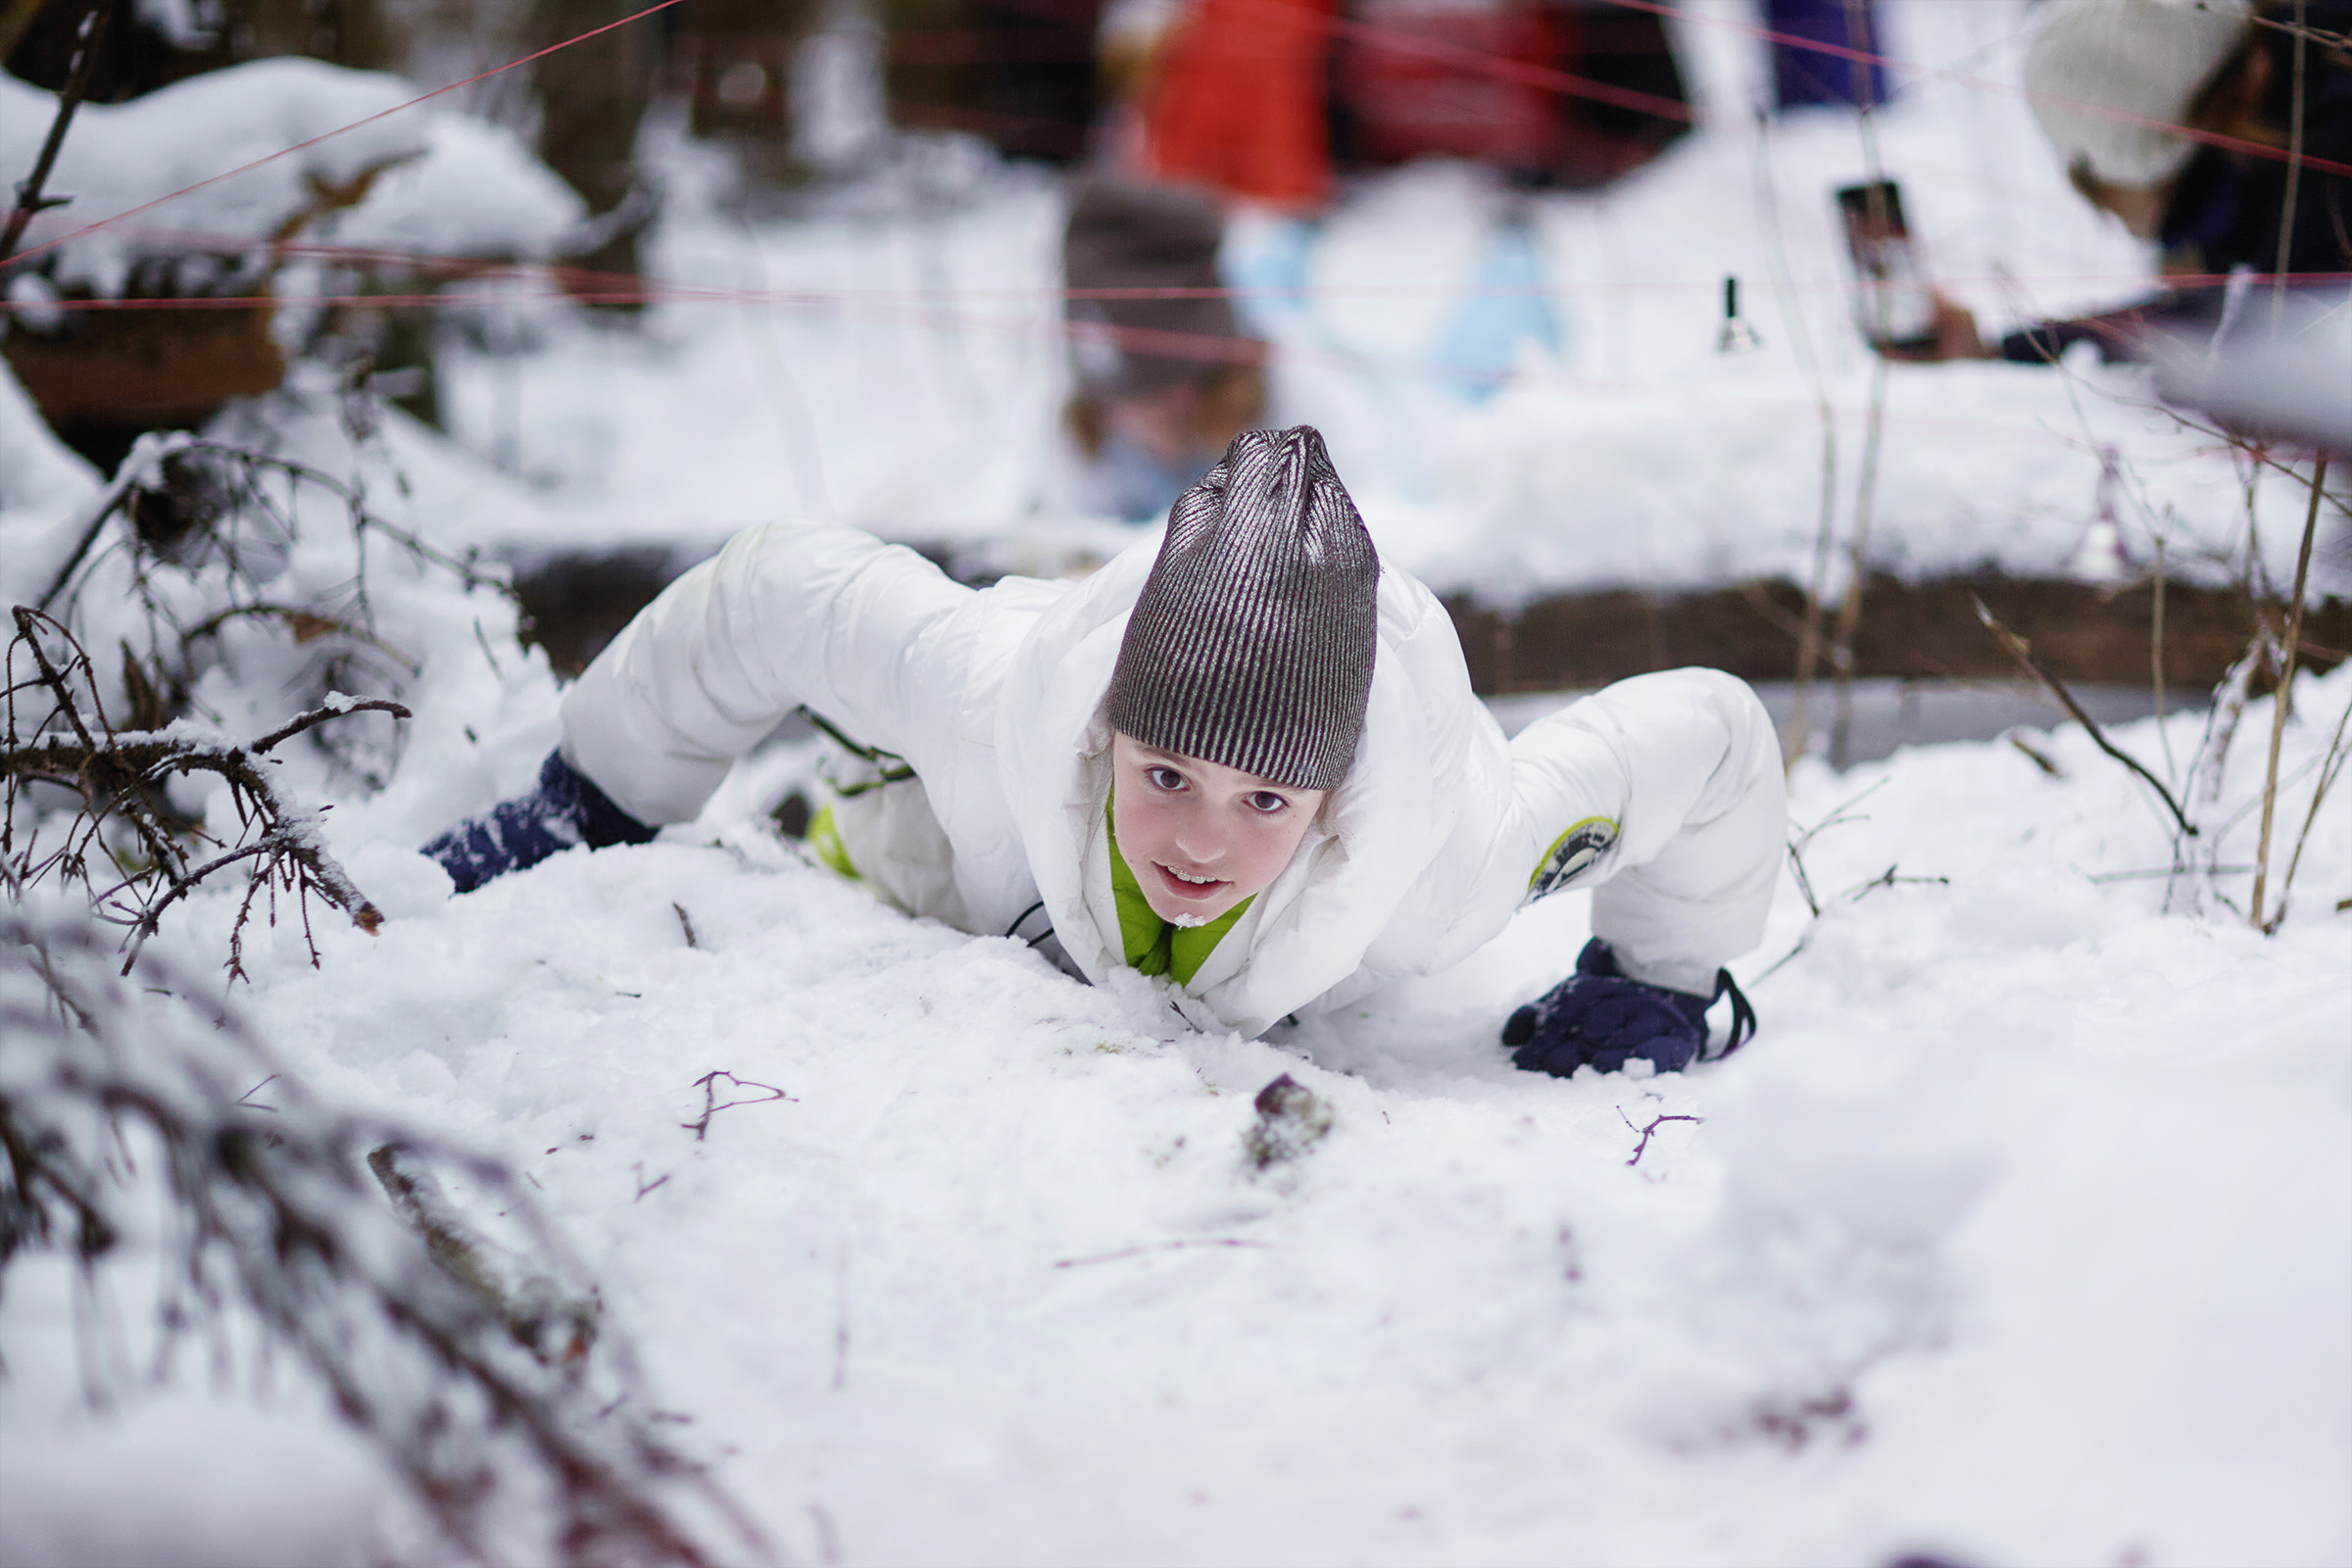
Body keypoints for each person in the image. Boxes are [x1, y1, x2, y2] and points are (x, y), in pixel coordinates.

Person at [423, 427, 1782, 1076]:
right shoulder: (984, 688)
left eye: (1266, 799)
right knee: (869, 816)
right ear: (1107, 737)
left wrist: (1657, 985)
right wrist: (590, 798)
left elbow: (1707, 739)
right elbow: (773, 592)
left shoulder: (1446, 864)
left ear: (1335, 798)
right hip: (904, 821)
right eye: (1167, 775)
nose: (1202, 839)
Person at [1899, 0, 2352, 366]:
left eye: (2089, 177)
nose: (2098, 205)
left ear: (2141, 149)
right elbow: (2201, 318)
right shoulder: (2278, 145)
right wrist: (2004, 349)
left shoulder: (2325, 175)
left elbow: (2252, 356)